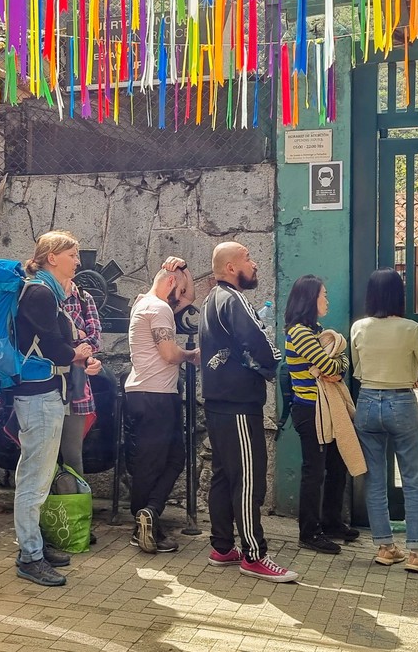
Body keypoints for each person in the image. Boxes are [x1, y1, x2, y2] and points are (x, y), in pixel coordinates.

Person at [199, 242, 298, 583]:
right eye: (248, 259)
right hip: (239, 404)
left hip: (219, 403)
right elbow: (256, 340)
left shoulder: (211, 299)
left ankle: (222, 546)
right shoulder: (233, 298)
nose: (254, 265)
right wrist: (273, 362)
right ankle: (253, 554)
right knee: (248, 479)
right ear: (230, 268)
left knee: (225, 475)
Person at [13, 230, 102, 587]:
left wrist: (78, 355)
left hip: (46, 391)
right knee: (34, 479)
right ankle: (29, 556)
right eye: (72, 254)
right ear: (52, 256)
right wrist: (76, 355)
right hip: (38, 394)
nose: (78, 261)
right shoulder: (39, 292)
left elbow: (55, 339)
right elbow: (52, 345)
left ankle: (34, 545)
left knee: (40, 475)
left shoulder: (46, 290)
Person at [351, 268, 418, 572]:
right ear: (398, 295)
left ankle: (386, 547)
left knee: (375, 479)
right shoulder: (411, 329)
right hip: (401, 402)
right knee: (412, 480)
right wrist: (412, 373)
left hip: (367, 403)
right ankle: (417, 553)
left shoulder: (359, 327)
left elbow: (358, 371)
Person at [125, 258, 198, 554]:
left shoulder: (143, 304)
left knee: (169, 459)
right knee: (153, 465)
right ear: (169, 284)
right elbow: (168, 353)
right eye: (177, 291)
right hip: (156, 396)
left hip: (143, 393)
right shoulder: (159, 308)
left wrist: (184, 269)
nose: (181, 299)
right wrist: (191, 354)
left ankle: (150, 513)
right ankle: (143, 523)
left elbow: (190, 296)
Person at [284, 274, 357, 555]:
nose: (327, 299)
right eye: (323, 295)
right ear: (309, 299)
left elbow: (337, 365)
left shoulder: (315, 330)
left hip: (325, 409)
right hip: (310, 410)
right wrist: (339, 361)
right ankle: (309, 532)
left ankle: (331, 521)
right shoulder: (300, 332)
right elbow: (331, 367)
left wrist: (339, 362)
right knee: (314, 472)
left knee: (336, 467)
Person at [60, 280, 102, 478]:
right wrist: (77, 342)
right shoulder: (42, 294)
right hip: (45, 381)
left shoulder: (85, 299)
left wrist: (77, 348)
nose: (76, 262)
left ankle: (74, 506)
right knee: (41, 454)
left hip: (76, 385)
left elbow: (94, 340)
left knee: (73, 454)